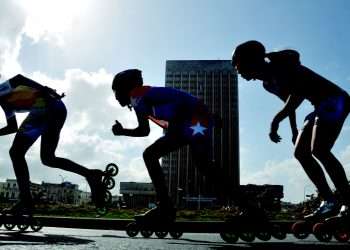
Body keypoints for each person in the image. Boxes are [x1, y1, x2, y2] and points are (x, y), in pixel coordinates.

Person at [231, 40, 350, 218]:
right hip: (319, 106)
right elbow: (289, 104)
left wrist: (275, 121)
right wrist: (294, 131)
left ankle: (348, 202)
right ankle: (329, 201)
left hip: (335, 99)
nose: (237, 70)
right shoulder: (268, 84)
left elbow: (297, 95)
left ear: (251, 62)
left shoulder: (279, 68)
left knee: (319, 150)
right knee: (301, 153)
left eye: (238, 65)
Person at [111, 69, 218, 222]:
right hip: (196, 121)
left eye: (116, 91)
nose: (115, 96)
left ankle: (165, 208)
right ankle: (249, 206)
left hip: (191, 122)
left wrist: (122, 132)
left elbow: (143, 130)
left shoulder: (136, 95)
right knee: (205, 167)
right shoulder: (143, 95)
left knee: (150, 155)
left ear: (124, 88)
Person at [0, 74, 108, 214]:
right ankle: (90, 174)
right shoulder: (5, 104)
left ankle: (26, 201)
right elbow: (12, 127)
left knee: (16, 152)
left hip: (45, 106)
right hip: (57, 109)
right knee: (48, 158)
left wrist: (44, 89)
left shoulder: (1, 90)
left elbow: (19, 78)